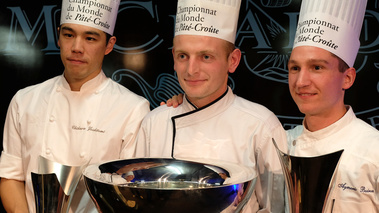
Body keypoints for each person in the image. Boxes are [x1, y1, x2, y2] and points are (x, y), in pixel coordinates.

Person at [133, 0, 288, 212]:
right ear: (173, 59)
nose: (191, 70)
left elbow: (278, 208)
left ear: (232, 61)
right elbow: (139, 200)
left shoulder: (261, 126)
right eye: (183, 56)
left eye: (206, 56)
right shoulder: (154, 123)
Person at [0, 0, 150, 212]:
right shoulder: (24, 100)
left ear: (109, 45)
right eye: (69, 35)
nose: (77, 48)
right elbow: (10, 177)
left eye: (90, 38)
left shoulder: (133, 109)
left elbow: (130, 195)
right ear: (59, 36)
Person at [286, 0, 379, 211]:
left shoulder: (374, 151)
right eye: (294, 68)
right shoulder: (279, 145)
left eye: (316, 67)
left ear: (347, 78)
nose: (301, 82)